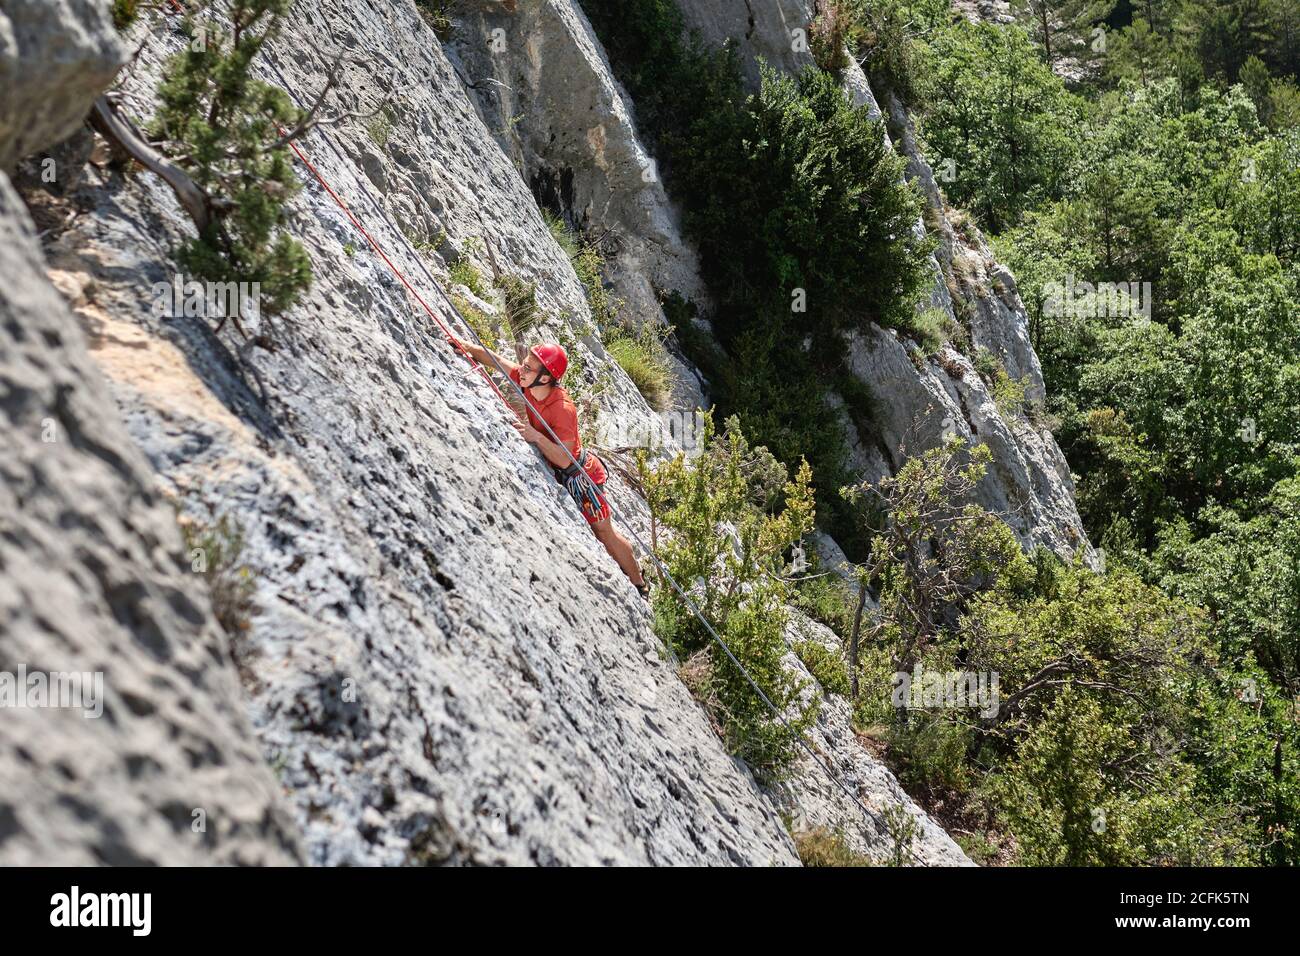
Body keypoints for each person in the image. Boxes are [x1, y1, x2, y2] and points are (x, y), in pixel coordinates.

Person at [447, 336, 649, 597]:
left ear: (545, 378)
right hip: (561, 468)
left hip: (580, 476)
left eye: (529, 368)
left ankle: (639, 584)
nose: (523, 370)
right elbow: (496, 361)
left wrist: (535, 436)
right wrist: (467, 347)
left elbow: (565, 458)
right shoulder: (529, 381)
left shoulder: (562, 408)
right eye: (526, 365)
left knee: (603, 532)